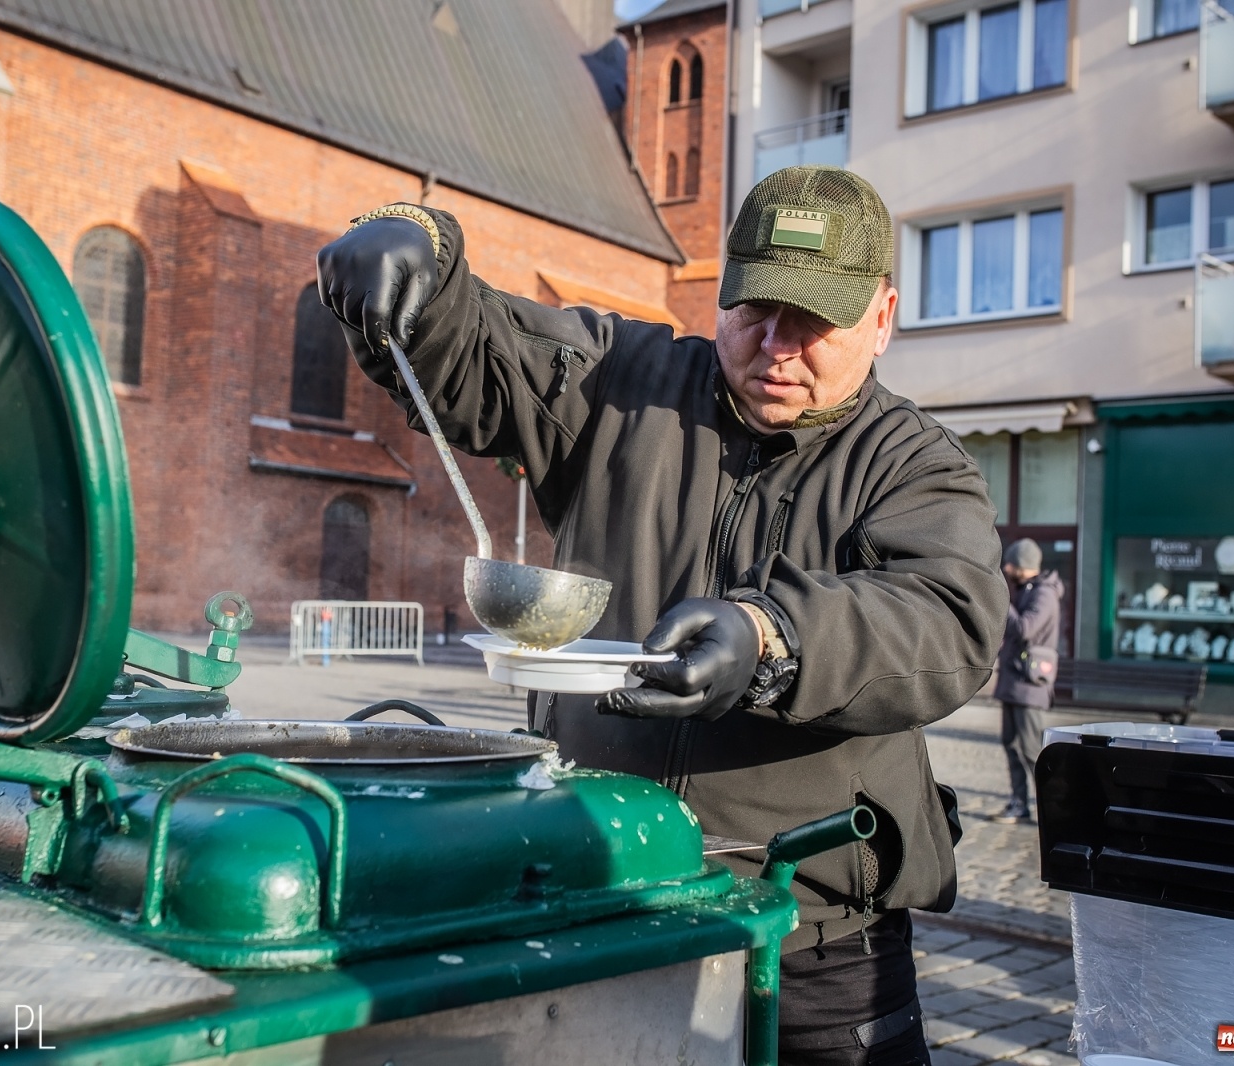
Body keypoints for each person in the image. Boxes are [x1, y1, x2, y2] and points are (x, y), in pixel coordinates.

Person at [318, 166, 1008, 1065]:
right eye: (754, 310)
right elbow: (479, 347)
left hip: (816, 937)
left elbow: (945, 619)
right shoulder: (621, 381)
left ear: (881, 317)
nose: (776, 347)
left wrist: (771, 636)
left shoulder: (915, 464)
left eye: (812, 320)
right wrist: (416, 246)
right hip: (598, 892)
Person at [990, 538, 1063, 825]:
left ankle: (1053, 810)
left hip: (1030, 686)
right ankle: (1019, 804)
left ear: (1025, 565)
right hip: (1013, 682)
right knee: (1010, 745)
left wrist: (1002, 602)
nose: (1007, 569)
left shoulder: (1045, 594)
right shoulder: (1027, 589)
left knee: (1032, 751)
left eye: (1011, 564)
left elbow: (1025, 628)